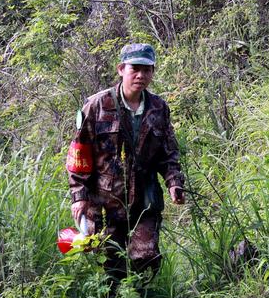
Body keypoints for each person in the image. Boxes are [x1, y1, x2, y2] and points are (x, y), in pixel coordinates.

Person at [66, 43, 185, 283]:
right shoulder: (97, 105)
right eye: (135, 69)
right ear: (121, 69)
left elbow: (168, 152)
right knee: (110, 267)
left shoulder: (159, 108)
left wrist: (174, 182)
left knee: (146, 259)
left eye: (147, 69)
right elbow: (79, 153)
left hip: (145, 197)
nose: (141, 75)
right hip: (105, 199)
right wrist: (79, 196)